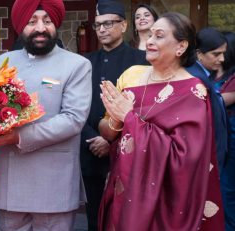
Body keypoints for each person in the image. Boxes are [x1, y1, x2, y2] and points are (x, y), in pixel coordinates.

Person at [97, 12, 224, 230]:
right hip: (125, 187)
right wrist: (118, 120)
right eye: (150, 36)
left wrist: (130, 117)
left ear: (180, 47)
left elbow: (185, 157)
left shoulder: (193, 90)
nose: (150, 41)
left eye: (159, 36)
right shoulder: (133, 77)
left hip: (165, 201)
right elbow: (110, 133)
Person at [0, 0, 92, 230]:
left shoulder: (77, 65)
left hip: (54, 184)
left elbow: (73, 119)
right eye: (32, 21)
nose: (41, 28)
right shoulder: (2, 63)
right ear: (20, 25)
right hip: (10, 182)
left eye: (48, 21)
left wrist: (18, 137)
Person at [81, 1, 147, 230]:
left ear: (124, 25)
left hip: (128, 147)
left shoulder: (142, 60)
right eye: (98, 25)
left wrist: (111, 140)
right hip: (90, 147)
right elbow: (77, 106)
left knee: (126, 212)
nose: (102, 29)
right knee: (93, 213)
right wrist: (94, 137)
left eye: (109, 23)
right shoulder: (85, 63)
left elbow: (145, 108)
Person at [186, 27, 228, 170]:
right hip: (205, 160)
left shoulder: (204, 74)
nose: (222, 59)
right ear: (199, 54)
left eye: (223, 54)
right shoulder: (194, 79)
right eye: (216, 54)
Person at [210, 31, 235, 231]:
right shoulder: (207, 73)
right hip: (210, 138)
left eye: (222, 51)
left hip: (230, 140)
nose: (219, 56)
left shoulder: (233, 78)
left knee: (227, 191)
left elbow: (218, 102)